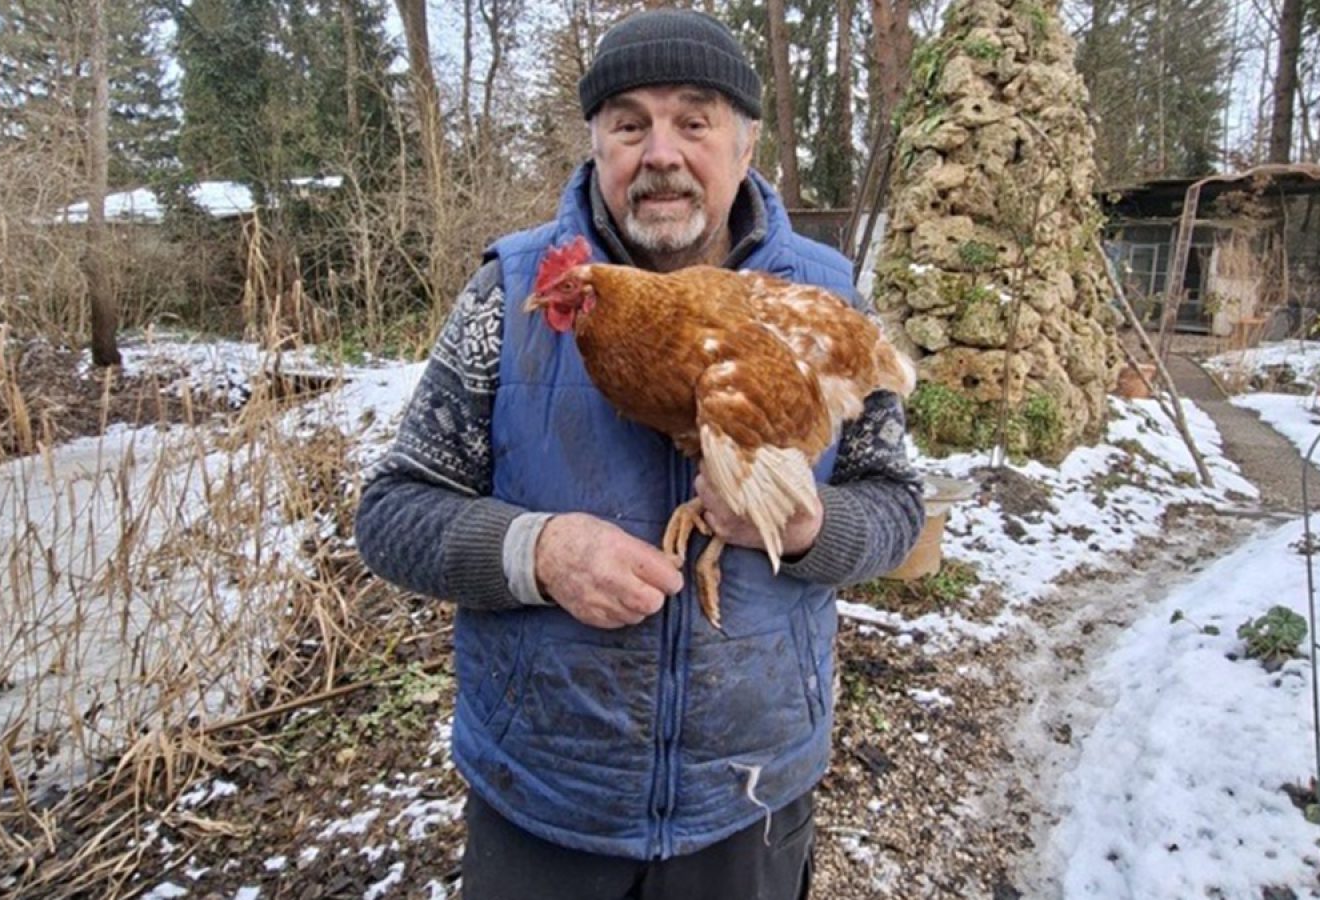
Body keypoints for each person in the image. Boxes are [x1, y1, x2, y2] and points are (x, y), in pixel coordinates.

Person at [354, 9, 923, 899]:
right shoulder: (513, 295)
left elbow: (897, 504)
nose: (660, 152)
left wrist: (812, 527)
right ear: (596, 147)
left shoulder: (827, 297)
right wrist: (539, 553)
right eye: (629, 125)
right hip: (544, 801)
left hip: (748, 801)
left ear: (744, 146)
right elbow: (391, 513)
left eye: (694, 122)